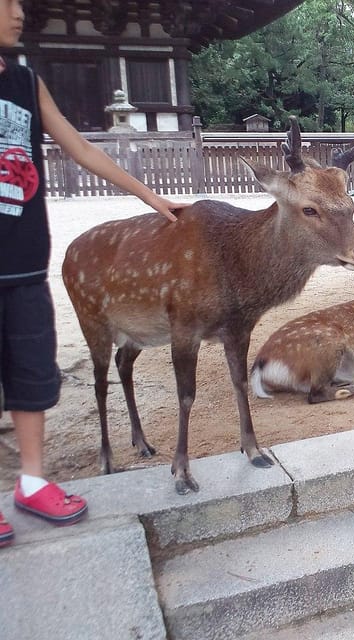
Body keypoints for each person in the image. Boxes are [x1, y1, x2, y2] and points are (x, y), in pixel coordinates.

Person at [0, 0, 181, 547]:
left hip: (26, 261)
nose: (18, 12)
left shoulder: (26, 83)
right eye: (6, 2)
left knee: (32, 376)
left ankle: (32, 481)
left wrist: (149, 197)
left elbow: (78, 148)